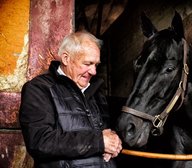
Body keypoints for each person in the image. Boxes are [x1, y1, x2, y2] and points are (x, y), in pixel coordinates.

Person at [19, 31, 122, 168]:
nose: (94, 71)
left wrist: (114, 141)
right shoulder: (39, 88)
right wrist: (99, 142)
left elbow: (107, 134)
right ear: (66, 59)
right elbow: (40, 142)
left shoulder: (97, 93)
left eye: (96, 65)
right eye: (87, 63)